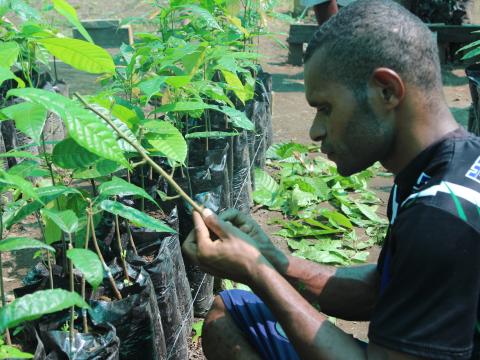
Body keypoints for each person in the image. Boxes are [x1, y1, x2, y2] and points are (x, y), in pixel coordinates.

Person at [183, 0, 480, 358]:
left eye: (325, 108)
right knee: (230, 313)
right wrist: (271, 258)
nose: (315, 131)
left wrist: (257, 272)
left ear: (386, 90)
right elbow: (377, 290)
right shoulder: (445, 168)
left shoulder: (439, 217)